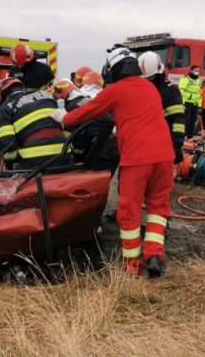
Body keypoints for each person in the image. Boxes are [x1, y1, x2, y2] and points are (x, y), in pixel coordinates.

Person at [52, 47, 174, 277]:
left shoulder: (115, 90)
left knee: (129, 210)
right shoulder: (150, 88)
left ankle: (132, 266)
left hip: (138, 158)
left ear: (113, 69)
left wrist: (62, 118)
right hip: (165, 156)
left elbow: (83, 114)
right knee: (158, 208)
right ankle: (154, 254)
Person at [0, 77, 67, 170]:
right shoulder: (47, 95)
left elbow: (7, 142)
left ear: (2, 96)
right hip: (63, 154)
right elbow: (66, 121)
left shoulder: (5, 108)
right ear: (21, 88)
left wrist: (11, 165)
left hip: (34, 160)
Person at [138, 51, 185, 163]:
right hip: (145, 144)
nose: (147, 81)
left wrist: (177, 145)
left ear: (157, 73)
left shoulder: (170, 91)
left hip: (163, 144)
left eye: (149, 78)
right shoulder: (144, 89)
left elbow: (178, 120)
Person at [178, 65, 202, 139]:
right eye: (196, 70)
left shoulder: (198, 81)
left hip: (194, 104)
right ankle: (182, 138)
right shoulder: (185, 79)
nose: (197, 72)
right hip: (186, 103)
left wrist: (199, 105)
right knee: (186, 122)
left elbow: (198, 94)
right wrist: (183, 103)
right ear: (191, 70)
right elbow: (181, 91)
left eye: (198, 70)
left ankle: (189, 138)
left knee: (192, 122)